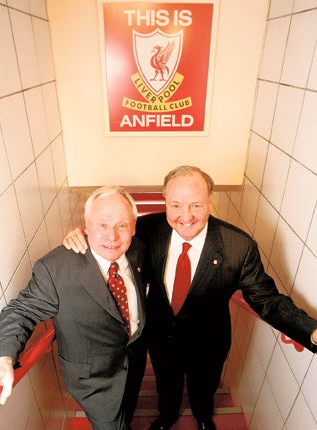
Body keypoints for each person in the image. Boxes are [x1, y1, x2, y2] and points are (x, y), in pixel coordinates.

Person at [62, 166, 317, 430]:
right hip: (161, 337)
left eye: (196, 205)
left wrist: (310, 331)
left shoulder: (238, 246)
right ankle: (168, 416)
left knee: (203, 389)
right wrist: (82, 236)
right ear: (165, 202)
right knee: (166, 385)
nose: (186, 217)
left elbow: (267, 299)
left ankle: (203, 417)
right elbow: (112, 243)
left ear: (210, 201)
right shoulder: (147, 230)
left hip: (209, 342)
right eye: (176, 205)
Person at [0, 186, 148, 430]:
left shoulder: (137, 250)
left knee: (128, 409)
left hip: (134, 362)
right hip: (95, 382)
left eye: (122, 225)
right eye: (102, 225)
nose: (112, 236)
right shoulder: (56, 269)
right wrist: (2, 359)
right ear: (86, 225)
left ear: (133, 227)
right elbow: (21, 311)